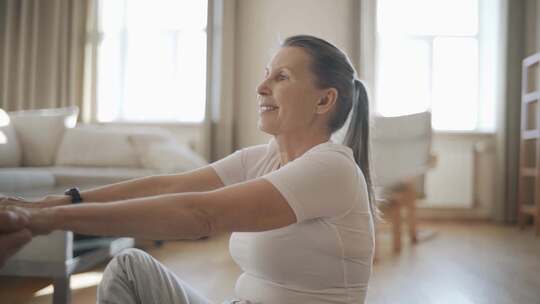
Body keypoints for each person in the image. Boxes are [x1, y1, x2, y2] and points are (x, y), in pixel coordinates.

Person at [1, 35, 376, 304]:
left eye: (281, 77)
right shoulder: (263, 158)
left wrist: (48, 220)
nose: (261, 87)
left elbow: (201, 214)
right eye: (266, 74)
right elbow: (169, 187)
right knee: (129, 267)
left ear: (325, 100)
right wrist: (50, 203)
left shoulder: (331, 169)